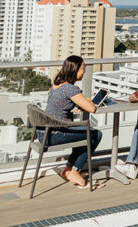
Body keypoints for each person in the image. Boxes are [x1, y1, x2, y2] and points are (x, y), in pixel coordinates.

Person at [43, 55, 102, 188]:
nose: (85, 71)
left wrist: (78, 104)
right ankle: (74, 171)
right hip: (56, 134)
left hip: (45, 132)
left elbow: (63, 104)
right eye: (83, 68)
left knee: (83, 133)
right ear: (74, 70)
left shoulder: (57, 84)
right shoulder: (70, 88)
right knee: (95, 134)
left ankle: (68, 169)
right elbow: (92, 108)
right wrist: (87, 102)